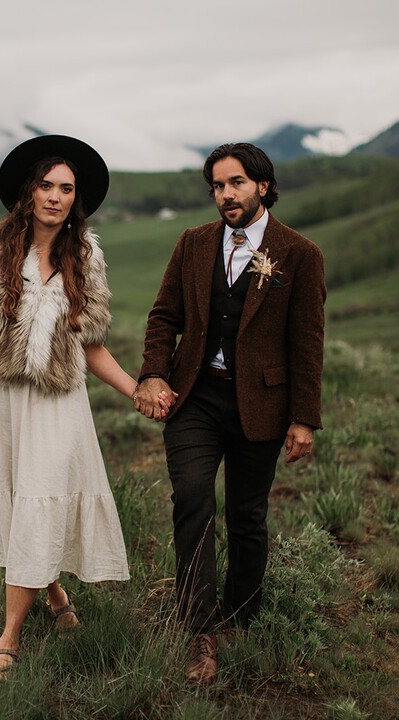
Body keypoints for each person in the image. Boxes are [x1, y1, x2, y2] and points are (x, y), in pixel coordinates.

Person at [0, 135, 160, 681]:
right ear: (29, 191)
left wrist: (136, 389)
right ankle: (56, 594)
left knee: (41, 498)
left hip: (59, 400)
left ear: (75, 199)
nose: (56, 197)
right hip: (2, 399)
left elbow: (91, 347)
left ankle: (9, 637)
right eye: (46, 185)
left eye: (66, 189)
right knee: (24, 504)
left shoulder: (85, 259)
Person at [134, 142, 326, 685]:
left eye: (236, 182)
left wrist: (304, 417)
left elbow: (307, 341)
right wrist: (154, 372)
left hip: (260, 404)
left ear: (262, 185)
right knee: (193, 499)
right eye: (217, 186)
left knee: (246, 516)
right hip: (194, 397)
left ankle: (240, 618)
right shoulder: (193, 243)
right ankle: (199, 631)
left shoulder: (300, 253)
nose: (226, 194)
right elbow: (163, 316)